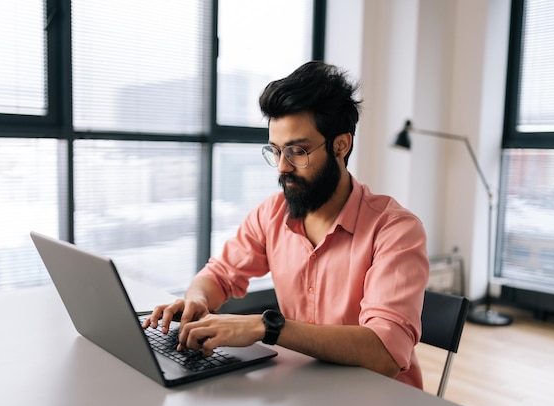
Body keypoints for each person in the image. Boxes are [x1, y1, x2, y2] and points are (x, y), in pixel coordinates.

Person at [143, 61, 429, 388]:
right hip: (305, 387)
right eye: (276, 151)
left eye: (298, 151)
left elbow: (385, 354)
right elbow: (219, 274)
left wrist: (269, 328)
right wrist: (196, 300)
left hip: (379, 399)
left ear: (341, 145)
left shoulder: (395, 230)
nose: (282, 167)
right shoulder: (272, 214)